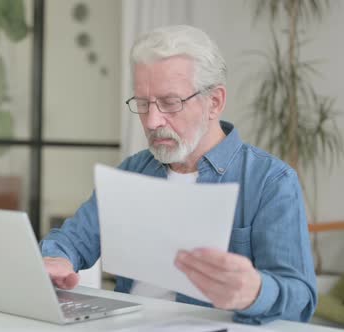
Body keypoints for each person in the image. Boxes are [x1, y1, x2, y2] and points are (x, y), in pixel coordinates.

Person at [40, 25, 317, 325]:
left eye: (170, 103)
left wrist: (255, 292)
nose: (152, 120)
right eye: (143, 104)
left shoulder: (270, 182)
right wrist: (57, 259)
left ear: (214, 102)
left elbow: (300, 301)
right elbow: (74, 239)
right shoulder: (135, 170)